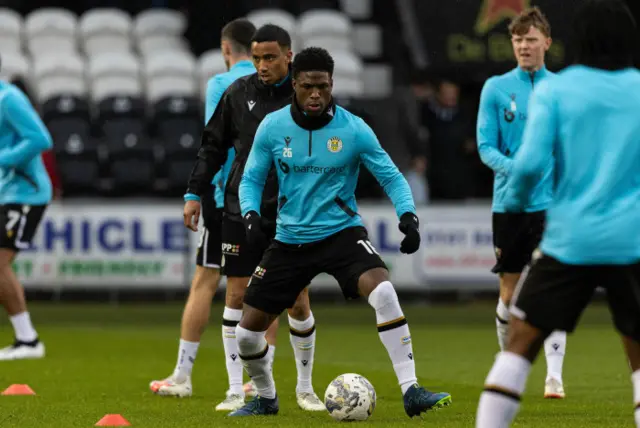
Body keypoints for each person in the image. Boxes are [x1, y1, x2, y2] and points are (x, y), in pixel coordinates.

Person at [229, 46, 453, 417]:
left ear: (331, 84)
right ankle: (266, 398)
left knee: (383, 291)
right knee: (247, 335)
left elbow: (392, 176)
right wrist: (251, 215)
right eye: (307, 87)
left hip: (341, 234)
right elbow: (250, 178)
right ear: (294, 86)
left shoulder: (353, 129)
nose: (315, 94)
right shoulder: (273, 127)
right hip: (289, 239)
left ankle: (411, 390)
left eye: (322, 86)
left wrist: (409, 216)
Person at [475, 1, 640, 426]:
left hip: (570, 238)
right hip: (633, 239)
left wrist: (513, 204)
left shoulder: (558, 90)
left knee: (518, 344)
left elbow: (528, 166)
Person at [182, 24, 325, 411]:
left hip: (293, 209)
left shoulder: (307, 97)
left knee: (296, 299)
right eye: (258, 58)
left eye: (270, 58)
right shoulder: (237, 92)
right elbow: (212, 146)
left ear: (289, 57)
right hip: (239, 207)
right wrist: (194, 192)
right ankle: (235, 389)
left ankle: (305, 389)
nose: (262, 65)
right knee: (237, 294)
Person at [149, 19, 260, 411]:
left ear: (225, 48)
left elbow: (216, 142)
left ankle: (182, 375)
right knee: (266, 285)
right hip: (269, 197)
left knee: (205, 280)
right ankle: (257, 380)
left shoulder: (220, 84)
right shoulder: (276, 84)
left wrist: (198, 192)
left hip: (226, 197)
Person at [476, 6, 567, 399]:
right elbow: (484, 147)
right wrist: (519, 169)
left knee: (556, 288)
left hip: (553, 204)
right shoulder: (496, 88)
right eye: (518, 40)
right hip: (510, 204)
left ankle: (554, 377)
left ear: (546, 42)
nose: (524, 46)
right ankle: (507, 365)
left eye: (531, 39)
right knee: (510, 294)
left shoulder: (562, 89)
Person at [0, 69, 53, 360]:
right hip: (8, 193)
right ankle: (26, 339)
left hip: (26, 194)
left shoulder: (9, 98)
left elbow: (40, 139)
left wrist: (2, 160)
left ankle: (28, 341)